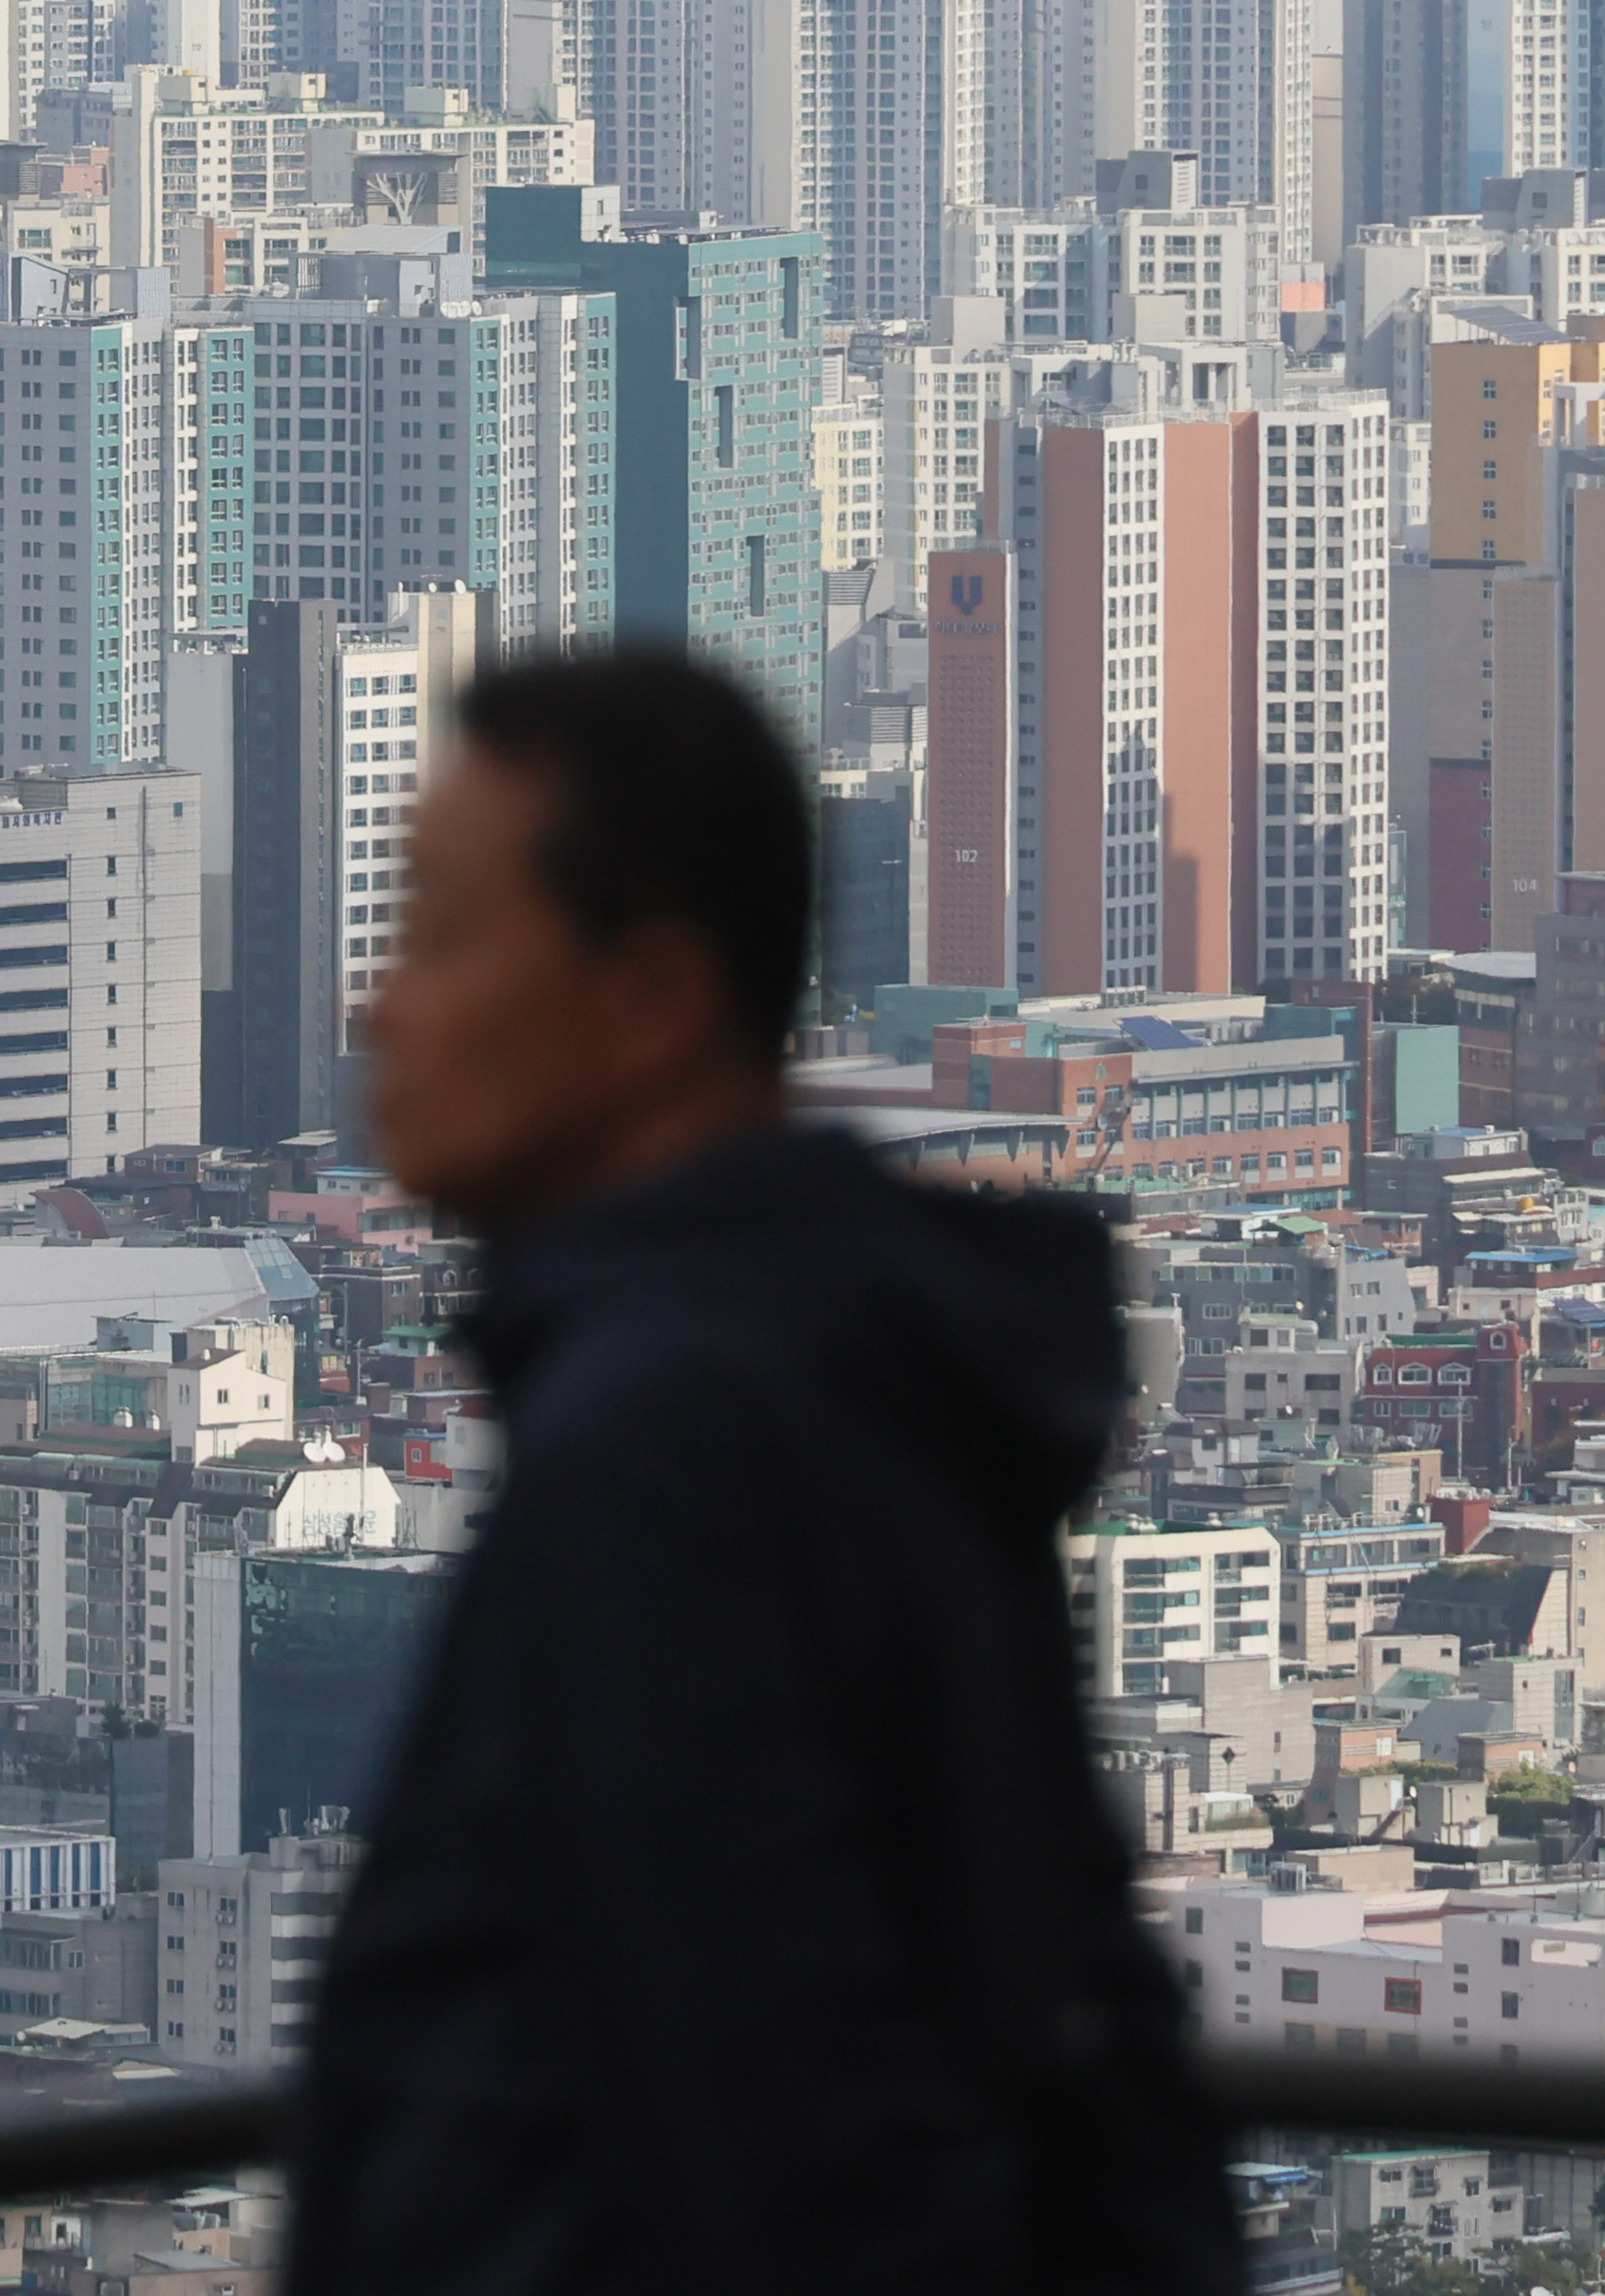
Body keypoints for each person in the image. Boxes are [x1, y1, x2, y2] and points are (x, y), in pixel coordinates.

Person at [289, 647, 1240, 2296]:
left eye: (438, 935)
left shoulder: (666, 1444)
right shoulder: (861, 1368)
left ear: (650, 1001)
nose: (377, 1004)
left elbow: (775, 2123)